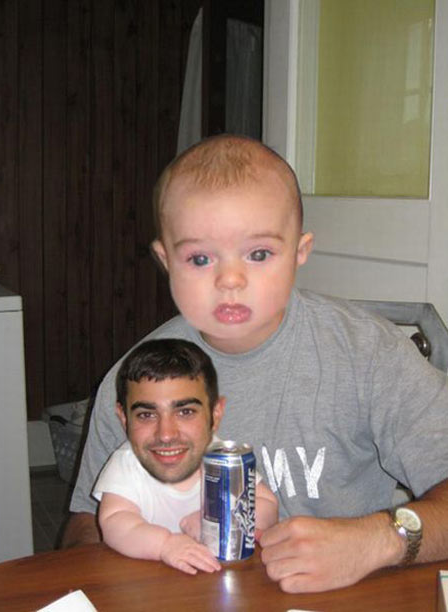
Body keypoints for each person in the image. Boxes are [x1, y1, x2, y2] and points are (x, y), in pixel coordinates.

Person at [63, 134, 448, 593]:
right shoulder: (134, 379)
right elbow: (85, 525)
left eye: (259, 253)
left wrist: (376, 540)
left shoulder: (372, 354)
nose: (230, 280)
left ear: (300, 251)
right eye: (200, 258)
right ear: (166, 260)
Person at [92, 338, 278, 575]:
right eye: (147, 415)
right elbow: (115, 522)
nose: (166, 434)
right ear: (123, 417)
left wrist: (221, 522)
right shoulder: (126, 463)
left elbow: (267, 505)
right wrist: (165, 544)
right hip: (151, 581)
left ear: (215, 414)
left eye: (185, 412)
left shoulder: (223, 458)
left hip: (219, 577)